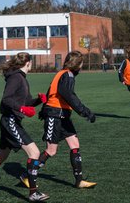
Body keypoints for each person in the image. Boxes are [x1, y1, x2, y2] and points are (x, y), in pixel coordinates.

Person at [0, 52, 49, 202]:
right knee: (34, 152)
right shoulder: (16, 78)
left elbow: (26, 101)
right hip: (10, 121)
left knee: (2, 155)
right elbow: (6, 100)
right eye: (31, 62)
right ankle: (33, 193)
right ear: (28, 63)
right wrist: (21, 109)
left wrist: (38, 101)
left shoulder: (22, 79)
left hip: (11, 120)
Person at [20, 51, 97, 189]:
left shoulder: (64, 73)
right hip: (55, 116)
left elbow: (50, 92)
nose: (82, 65)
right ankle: (27, 176)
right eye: (81, 63)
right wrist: (85, 112)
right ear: (77, 64)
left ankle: (79, 180)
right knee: (51, 150)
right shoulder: (67, 75)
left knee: (74, 144)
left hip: (63, 115)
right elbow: (68, 95)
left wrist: (44, 109)